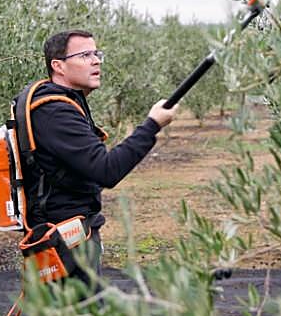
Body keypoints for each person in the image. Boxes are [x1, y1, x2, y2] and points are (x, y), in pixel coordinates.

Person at [18, 29, 178, 281]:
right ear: (58, 66)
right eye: (85, 55)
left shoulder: (61, 103)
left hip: (71, 236)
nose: (96, 61)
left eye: (96, 53)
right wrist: (152, 125)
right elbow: (107, 170)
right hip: (63, 243)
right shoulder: (55, 113)